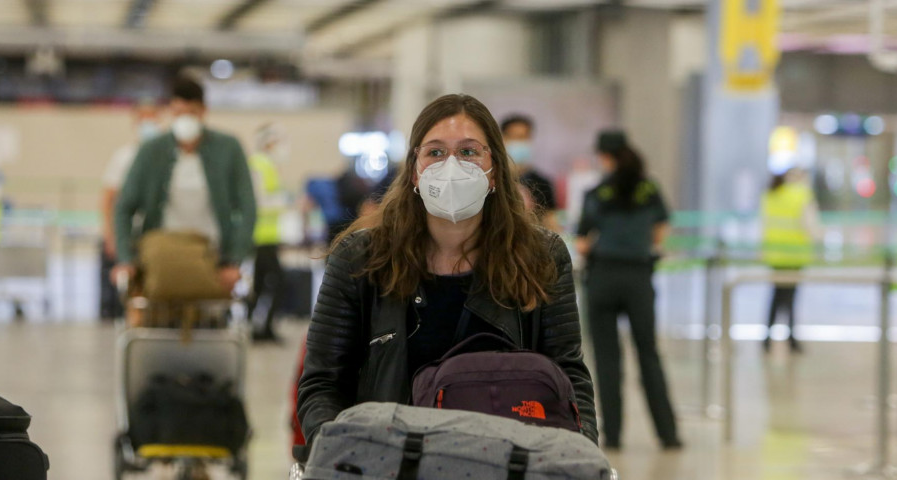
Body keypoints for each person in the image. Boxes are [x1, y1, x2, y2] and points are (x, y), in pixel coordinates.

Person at [297, 94, 598, 445]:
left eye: (469, 152)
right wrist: (346, 456)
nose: (452, 165)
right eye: (436, 152)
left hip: (507, 466)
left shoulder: (541, 256)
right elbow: (322, 384)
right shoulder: (360, 259)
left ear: (494, 171)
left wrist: (581, 455)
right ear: (414, 170)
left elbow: (570, 376)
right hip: (390, 465)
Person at [575, 130, 681, 451]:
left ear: (605, 157)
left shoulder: (597, 192)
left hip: (603, 277)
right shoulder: (649, 189)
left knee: (607, 361)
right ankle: (668, 434)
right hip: (638, 278)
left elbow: (582, 242)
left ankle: (614, 436)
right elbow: (661, 228)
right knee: (649, 355)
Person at [112, 76, 256, 296]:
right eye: (179, 113)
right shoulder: (151, 151)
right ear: (170, 111)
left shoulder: (228, 148)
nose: (185, 119)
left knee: (209, 323)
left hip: (212, 255)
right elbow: (123, 206)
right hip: (161, 255)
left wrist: (234, 260)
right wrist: (126, 258)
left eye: (192, 113)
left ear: (204, 111)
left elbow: (247, 207)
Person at [99, 99, 161, 320]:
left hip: (156, 238)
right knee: (132, 294)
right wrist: (110, 235)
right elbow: (110, 200)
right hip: (130, 238)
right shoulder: (123, 157)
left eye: (152, 117)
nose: (147, 123)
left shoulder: (165, 156)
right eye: (143, 118)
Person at [761, 168, 819, 353]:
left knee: (777, 296)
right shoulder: (802, 195)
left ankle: (769, 337)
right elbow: (812, 226)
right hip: (794, 255)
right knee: (790, 297)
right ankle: (790, 338)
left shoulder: (771, 194)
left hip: (775, 254)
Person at [248, 123, 288, 342]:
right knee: (274, 283)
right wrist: (283, 202)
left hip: (268, 237)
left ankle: (259, 328)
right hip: (260, 238)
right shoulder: (258, 165)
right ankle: (260, 329)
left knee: (261, 284)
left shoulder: (268, 165)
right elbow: (260, 202)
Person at [499, 114, 561, 233]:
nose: (521, 142)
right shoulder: (494, 179)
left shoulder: (542, 183)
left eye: (525, 137)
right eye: (516, 137)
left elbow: (552, 225)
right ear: (503, 139)